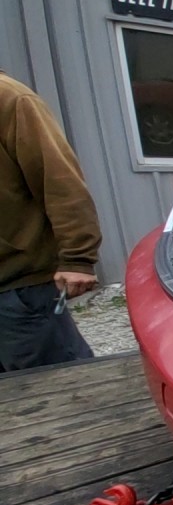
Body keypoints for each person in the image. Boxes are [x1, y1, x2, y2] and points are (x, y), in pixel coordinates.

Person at [0, 71, 101, 372]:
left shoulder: (11, 100)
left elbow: (59, 180)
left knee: (64, 392)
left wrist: (77, 258)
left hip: (18, 289)